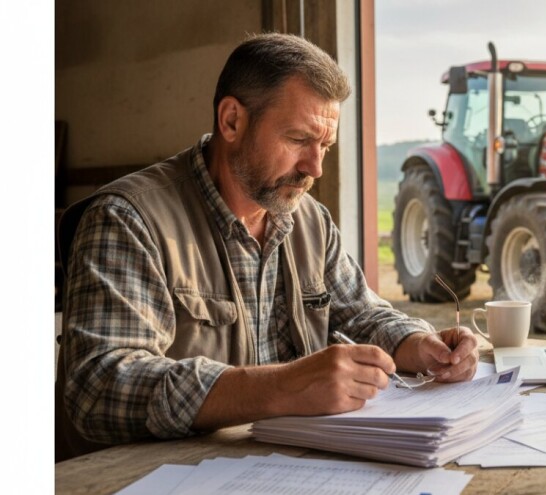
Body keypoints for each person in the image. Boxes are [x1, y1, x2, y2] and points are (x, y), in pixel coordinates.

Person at [55, 33, 479, 462]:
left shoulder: (309, 220)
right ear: (232, 121)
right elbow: (100, 387)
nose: (314, 167)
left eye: (325, 146)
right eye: (298, 140)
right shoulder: (127, 219)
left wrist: (418, 344)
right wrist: (283, 386)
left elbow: (363, 313)